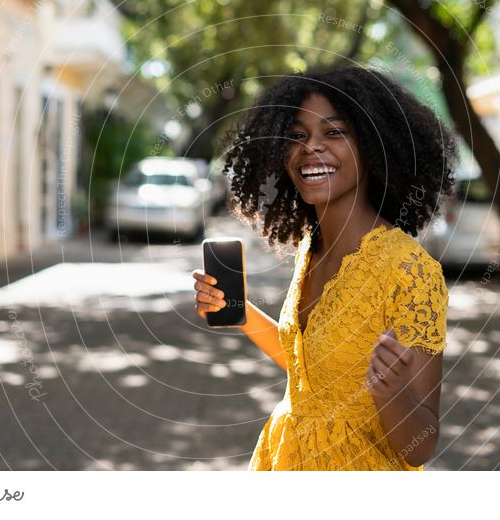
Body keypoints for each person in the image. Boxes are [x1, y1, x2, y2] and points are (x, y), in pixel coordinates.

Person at [192, 63, 457, 470]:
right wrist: (239, 311)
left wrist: (389, 393)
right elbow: (311, 371)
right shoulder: (311, 249)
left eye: (334, 132)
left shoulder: (409, 271)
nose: (310, 147)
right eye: (297, 135)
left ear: (372, 144)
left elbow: (419, 447)